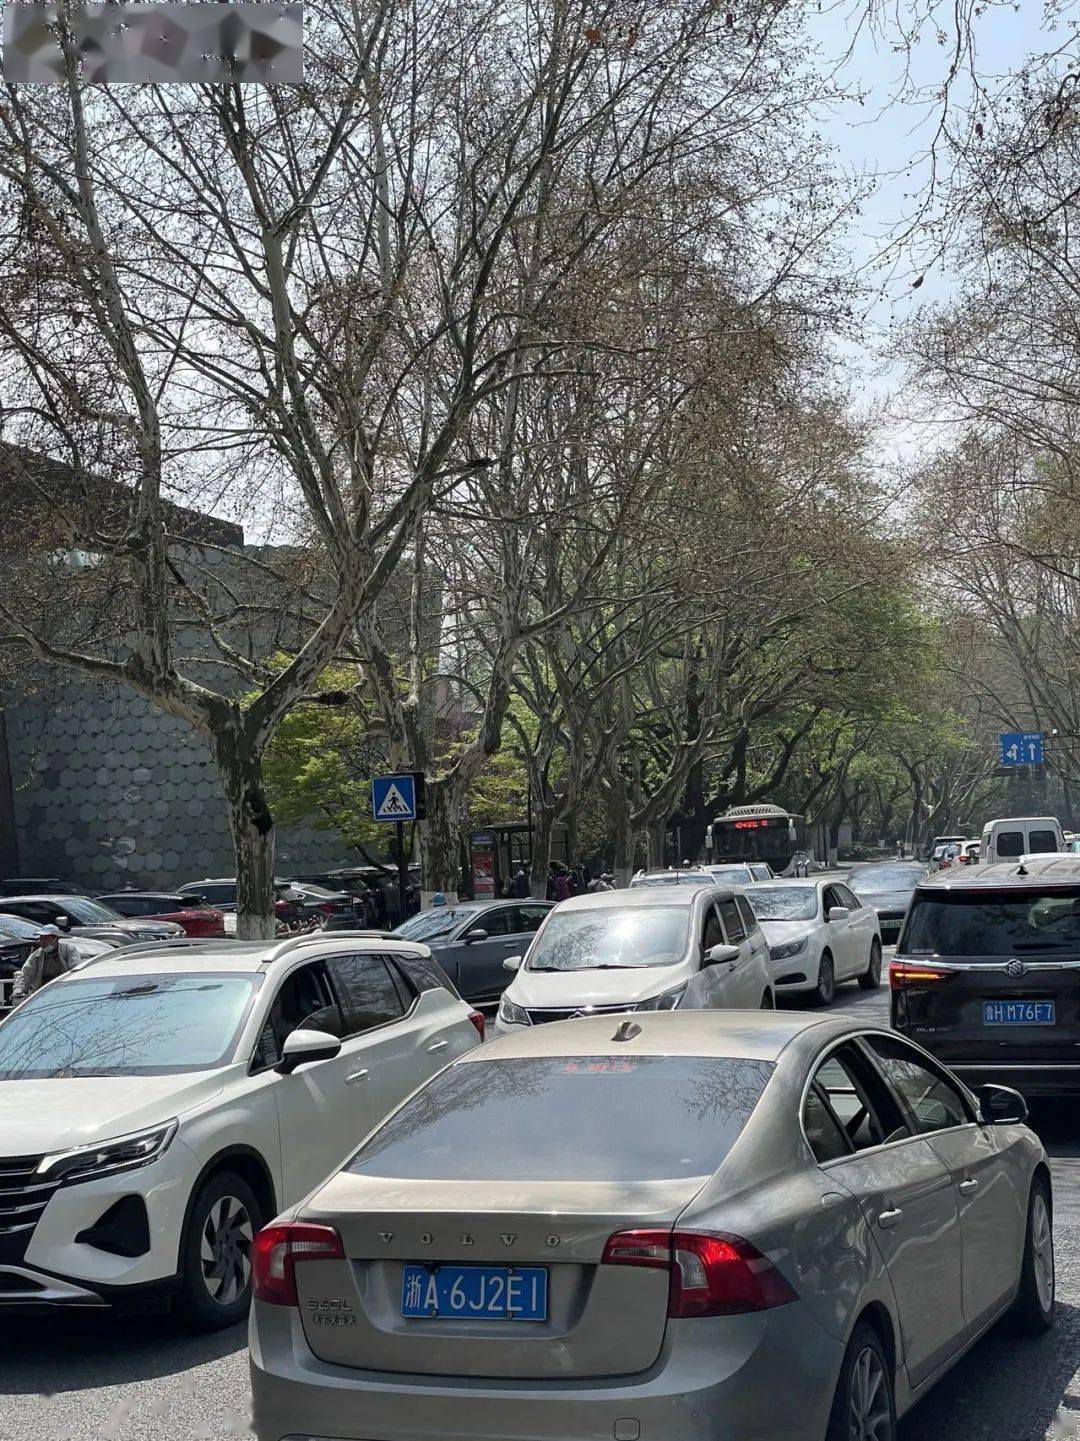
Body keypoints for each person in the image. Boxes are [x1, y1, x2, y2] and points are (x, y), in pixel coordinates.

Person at [11, 924, 81, 1005]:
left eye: (46, 939)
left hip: (65, 992)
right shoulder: (36, 955)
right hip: (42, 994)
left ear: (55, 938)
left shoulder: (68, 950)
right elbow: (25, 974)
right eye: (41, 938)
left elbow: (75, 970)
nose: (43, 942)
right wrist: (18, 989)